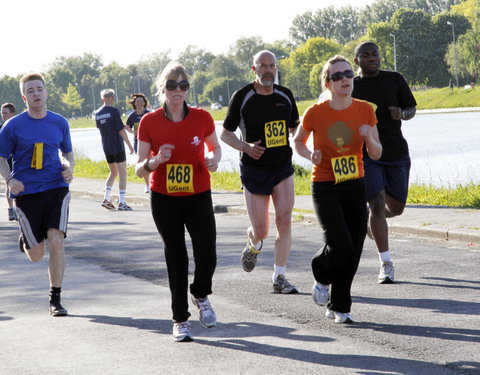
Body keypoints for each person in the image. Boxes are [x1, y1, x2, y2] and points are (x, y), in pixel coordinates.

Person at [135, 62, 221, 342]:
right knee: (176, 257)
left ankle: (200, 293)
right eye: (172, 84)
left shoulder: (202, 117)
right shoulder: (149, 122)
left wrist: (214, 160)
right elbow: (138, 168)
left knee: (207, 253)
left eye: (183, 85)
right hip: (164, 197)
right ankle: (180, 319)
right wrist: (155, 161)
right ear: (162, 89)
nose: (178, 90)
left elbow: (215, 147)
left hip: (198, 194)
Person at [294, 55, 382, 323]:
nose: (345, 79)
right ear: (328, 83)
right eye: (337, 76)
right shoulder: (315, 112)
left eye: (348, 74)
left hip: (355, 184)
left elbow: (377, 154)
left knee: (354, 248)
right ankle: (320, 272)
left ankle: (340, 306)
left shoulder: (365, 110)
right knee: (339, 243)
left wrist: (368, 137)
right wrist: (310, 155)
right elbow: (297, 141)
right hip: (325, 186)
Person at [220, 50, 300, 294]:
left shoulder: (285, 95)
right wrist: (246, 147)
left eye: (272, 66)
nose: (268, 70)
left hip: (281, 167)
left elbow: (295, 127)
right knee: (262, 229)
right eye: (262, 66)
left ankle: (279, 277)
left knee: (285, 219)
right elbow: (225, 134)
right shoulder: (243, 96)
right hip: (254, 169)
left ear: (276, 69)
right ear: (254, 69)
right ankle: (253, 243)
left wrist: (295, 138)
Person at [0, 73, 75, 316]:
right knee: (36, 255)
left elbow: (67, 153)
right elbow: (1, 158)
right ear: (24, 97)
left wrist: (68, 167)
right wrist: (10, 179)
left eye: (39, 89)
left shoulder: (59, 122)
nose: (36, 94)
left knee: (56, 240)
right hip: (27, 193)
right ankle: (27, 241)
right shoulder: (12, 126)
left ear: (46, 93)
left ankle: (56, 298)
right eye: (30, 91)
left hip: (56, 189)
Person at [352, 41, 417, 284]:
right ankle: (386, 263)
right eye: (366, 55)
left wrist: (401, 113)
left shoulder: (394, 79)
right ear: (357, 60)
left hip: (396, 152)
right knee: (377, 204)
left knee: (396, 208)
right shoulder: (352, 86)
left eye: (375, 54)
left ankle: (372, 220)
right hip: (368, 155)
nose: (372, 58)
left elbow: (411, 108)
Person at [95, 89, 134, 211]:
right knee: (122, 173)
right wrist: (130, 145)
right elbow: (120, 131)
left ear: (103, 98)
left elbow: (104, 127)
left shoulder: (97, 113)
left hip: (106, 146)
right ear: (112, 98)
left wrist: (122, 126)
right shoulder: (114, 111)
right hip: (117, 146)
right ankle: (122, 201)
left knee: (113, 172)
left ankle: (106, 198)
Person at [126, 93, 150, 193]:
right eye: (137, 101)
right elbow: (127, 126)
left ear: (144, 103)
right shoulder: (132, 116)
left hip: (150, 141)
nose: (139, 103)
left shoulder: (148, 114)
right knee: (143, 163)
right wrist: (133, 132)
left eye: (141, 101)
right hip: (138, 142)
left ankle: (154, 182)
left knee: (152, 162)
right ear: (134, 103)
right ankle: (147, 185)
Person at [1, 103, 17, 221]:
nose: (3, 115)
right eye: (2, 113)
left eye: (5, 113)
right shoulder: (0, 128)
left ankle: (20, 208)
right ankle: (11, 209)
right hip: (3, 160)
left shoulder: (18, 127)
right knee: (8, 183)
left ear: (12, 114)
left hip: (17, 159)